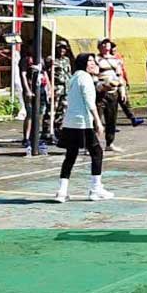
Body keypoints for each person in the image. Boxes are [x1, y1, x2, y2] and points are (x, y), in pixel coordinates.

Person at [55, 53, 113, 203]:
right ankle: (95, 189)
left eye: (94, 61)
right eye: (90, 61)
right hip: (83, 123)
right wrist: (98, 122)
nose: (93, 63)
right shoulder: (85, 78)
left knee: (70, 156)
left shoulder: (74, 77)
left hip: (70, 122)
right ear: (83, 63)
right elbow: (89, 101)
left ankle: (62, 191)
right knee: (97, 152)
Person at [95, 39, 124, 151]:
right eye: (104, 43)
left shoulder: (116, 60)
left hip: (113, 92)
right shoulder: (96, 59)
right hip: (101, 92)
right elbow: (94, 75)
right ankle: (93, 145)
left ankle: (110, 143)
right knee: (97, 119)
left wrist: (122, 90)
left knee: (111, 119)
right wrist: (101, 86)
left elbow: (119, 75)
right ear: (99, 46)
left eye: (108, 43)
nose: (106, 45)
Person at [111, 42, 145, 128]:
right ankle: (111, 125)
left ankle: (133, 119)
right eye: (112, 50)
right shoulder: (105, 59)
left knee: (125, 102)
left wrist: (127, 80)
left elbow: (123, 70)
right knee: (112, 106)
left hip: (120, 83)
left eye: (115, 50)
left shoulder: (118, 57)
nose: (114, 52)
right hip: (112, 84)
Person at [52, 41, 72, 133]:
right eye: (60, 48)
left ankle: (59, 129)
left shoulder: (67, 60)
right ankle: (48, 130)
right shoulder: (52, 59)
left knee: (63, 109)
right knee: (53, 109)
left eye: (64, 48)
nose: (62, 50)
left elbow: (69, 72)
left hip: (66, 88)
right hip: (56, 87)